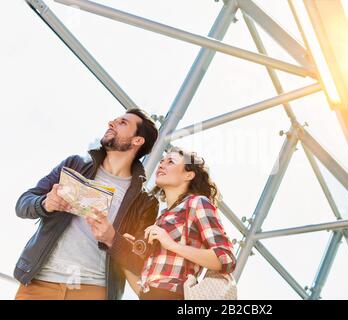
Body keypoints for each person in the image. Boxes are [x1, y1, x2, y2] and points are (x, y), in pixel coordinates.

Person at [14, 108, 159, 300]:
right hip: (39, 284)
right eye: (114, 120)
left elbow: (140, 260)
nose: (111, 123)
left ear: (137, 140)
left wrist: (111, 239)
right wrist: (45, 203)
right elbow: (23, 203)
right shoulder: (74, 164)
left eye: (122, 123)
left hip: (93, 291)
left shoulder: (145, 202)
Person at [119, 147, 236, 300]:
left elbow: (225, 259)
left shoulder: (197, 203)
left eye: (170, 162)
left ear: (188, 174)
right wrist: (123, 252)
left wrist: (172, 245)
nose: (161, 165)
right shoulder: (161, 217)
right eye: (161, 161)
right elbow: (145, 292)